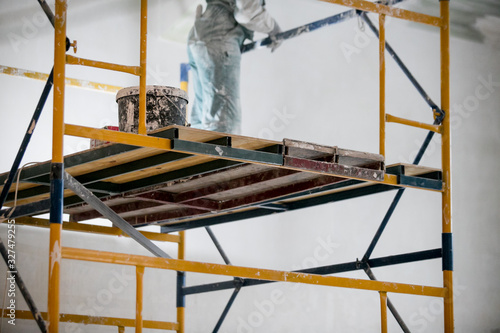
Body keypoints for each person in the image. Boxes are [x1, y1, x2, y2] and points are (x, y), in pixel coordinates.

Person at [187, 0, 281, 135]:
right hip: (220, 35)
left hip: (201, 31)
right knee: (224, 123)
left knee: (203, 119)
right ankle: (220, 156)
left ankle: (204, 154)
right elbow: (247, 11)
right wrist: (273, 28)